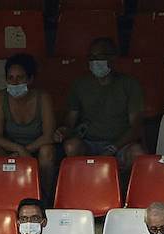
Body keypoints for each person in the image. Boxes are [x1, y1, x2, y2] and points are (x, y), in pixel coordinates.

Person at [56, 37, 145, 171]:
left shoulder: (130, 84)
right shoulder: (79, 85)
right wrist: (64, 131)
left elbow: (136, 126)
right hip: (89, 143)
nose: (95, 61)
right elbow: (70, 123)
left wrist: (112, 148)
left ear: (113, 58)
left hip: (120, 144)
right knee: (71, 146)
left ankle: (124, 190)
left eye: (100, 57)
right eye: (91, 57)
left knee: (137, 152)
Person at [0, 53, 57, 197]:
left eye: (20, 78)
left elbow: (48, 136)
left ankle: (44, 198)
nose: (14, 82)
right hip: (11, 150)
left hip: (36, 150)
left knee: (47, 151)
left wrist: (25, 151)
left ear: (30, 79)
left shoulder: (43, 97)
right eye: (10, 78)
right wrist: (18, 150)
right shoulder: (0, 97)